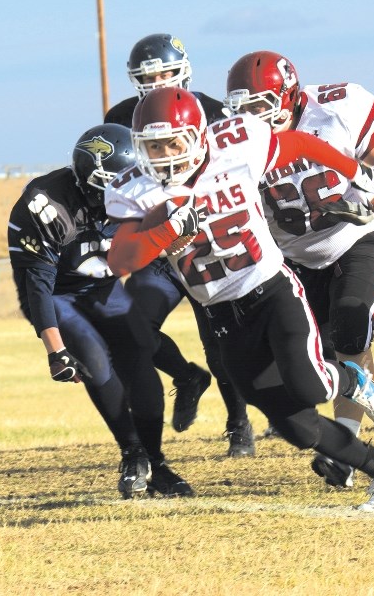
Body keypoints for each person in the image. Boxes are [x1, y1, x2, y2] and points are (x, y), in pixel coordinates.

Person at [105, 86, 374, 512]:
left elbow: (300, 143)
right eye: (152, 146)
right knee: (298, 427)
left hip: (269, 289)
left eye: (173, 142)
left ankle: (355, 379)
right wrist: (164, 231)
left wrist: (355, 172)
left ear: (197, 135)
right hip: (222, 316)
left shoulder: (237, 146)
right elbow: (121, 259)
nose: (165, 154)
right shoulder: (135, 188)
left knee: (313, 384)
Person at [224, 51, 374, 487]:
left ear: (289, 96)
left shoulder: (338, 108)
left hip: (358, 240)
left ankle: (346, 453)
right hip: (296, 257)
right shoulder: (235, 144)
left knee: (349, 331)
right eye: (243, 109)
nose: (252, 118)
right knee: (318, 360)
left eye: (261, 106)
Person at [8, 123, 193, 499]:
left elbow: (137, 250)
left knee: (138, 346)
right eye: (119, 180)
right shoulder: (47, 204)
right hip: (56, 292)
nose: (131, 185)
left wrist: (173, 243)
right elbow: (40, 286)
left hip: (99, 282)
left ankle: (157, 454)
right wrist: (56, 350)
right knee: (93, 356)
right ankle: (133, 454)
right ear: (92, 181)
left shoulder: (141, 195)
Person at [106, 33, 254, 457]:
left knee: (219, 340)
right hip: (157, 244)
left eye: (165, 72)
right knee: (132, 326)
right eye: (146, 76)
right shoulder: (120, 116)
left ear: (183, 69)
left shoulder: (211, 110)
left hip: (205, 240)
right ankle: (186, 376)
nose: (156, 82)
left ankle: (238, 422)